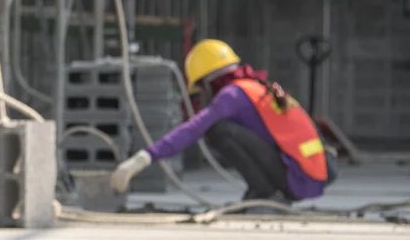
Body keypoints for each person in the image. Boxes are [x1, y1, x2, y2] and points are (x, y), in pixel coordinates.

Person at [109, 39, 338, 204]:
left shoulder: (233, 95)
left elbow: (192, 130)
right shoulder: (256, 87)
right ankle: (265, 192)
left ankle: (265, 194)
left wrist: (143, 157)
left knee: (218, 130)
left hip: (299, 179)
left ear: (209, 80)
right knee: (226, 129)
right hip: (316, 173)